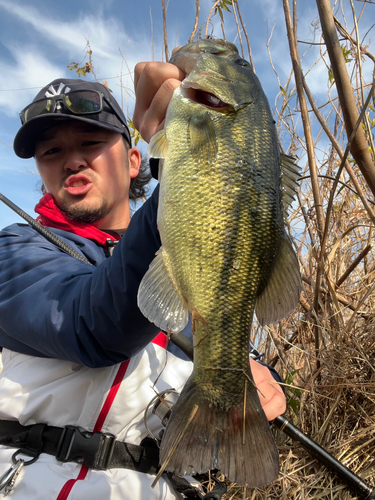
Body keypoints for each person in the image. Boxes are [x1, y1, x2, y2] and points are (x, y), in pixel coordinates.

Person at [0, 64, 286, 499]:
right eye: (51, 151)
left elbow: (230, 331)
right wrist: (189, 173)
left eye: (91, 143)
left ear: (134, 160)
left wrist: (257, 373)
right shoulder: (15, 251)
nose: (71, 160)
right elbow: (93, 324)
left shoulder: (193, 264)